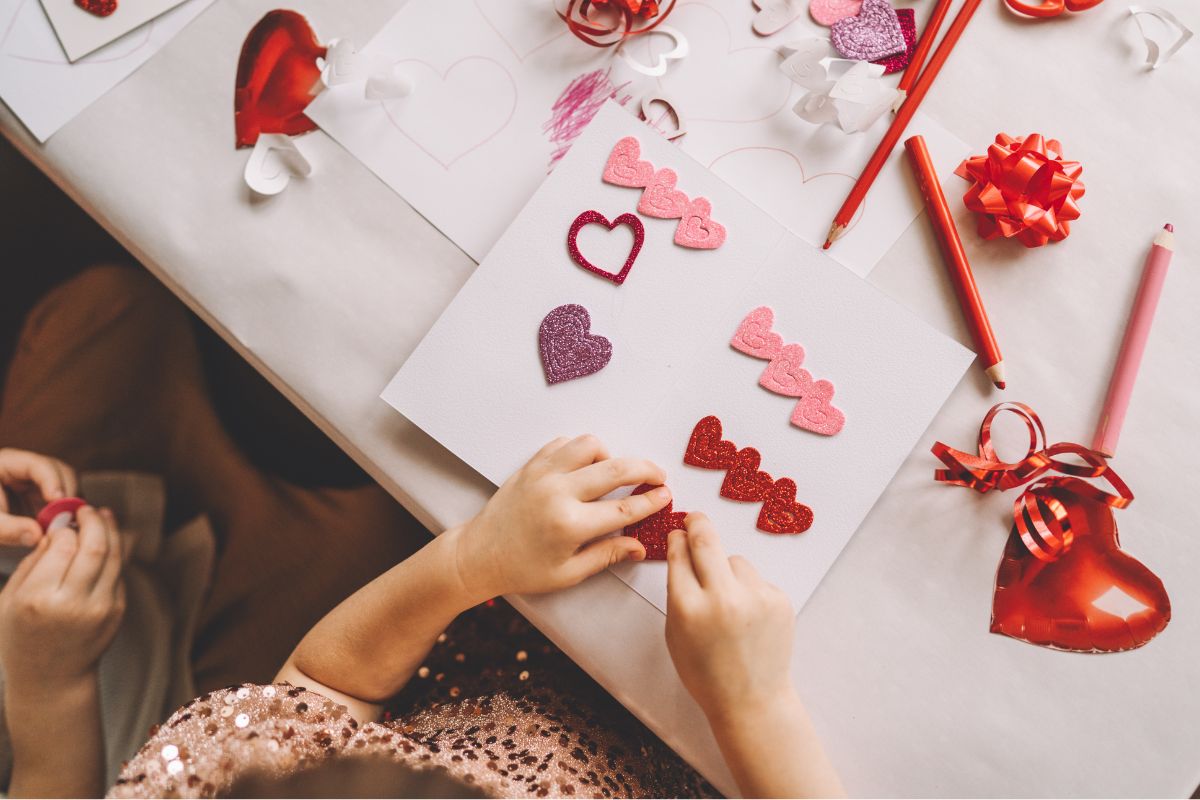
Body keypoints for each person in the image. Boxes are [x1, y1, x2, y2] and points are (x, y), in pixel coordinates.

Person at [112, 435, 844, 799]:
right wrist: (756, 708)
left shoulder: (195, 787)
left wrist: (469, 561)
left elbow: (317, 687)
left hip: (507, 651)